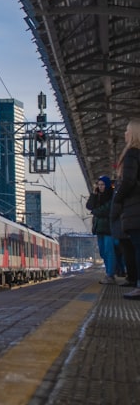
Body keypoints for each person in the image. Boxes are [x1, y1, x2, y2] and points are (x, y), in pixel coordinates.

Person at [111, 118, 140, 299]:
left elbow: (128, 181)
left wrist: (119, 198)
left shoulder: (132, 153)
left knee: (138, 249)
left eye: (127, 130)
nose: (125, 133)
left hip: (135, 210)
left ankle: (138, 286)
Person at [86, 175, 116, 284]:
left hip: (109, 228)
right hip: (99, 228)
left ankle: (110, 274)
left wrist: (95, 211)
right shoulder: (97, 196)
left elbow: (106, 210)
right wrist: (94, 194)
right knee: (103, 252)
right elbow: (89, 206)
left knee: (109, 251)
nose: (100, 187)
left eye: (102, 184)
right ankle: (109, 273)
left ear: (107, 185)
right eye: (99, 185)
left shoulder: (112, 196)